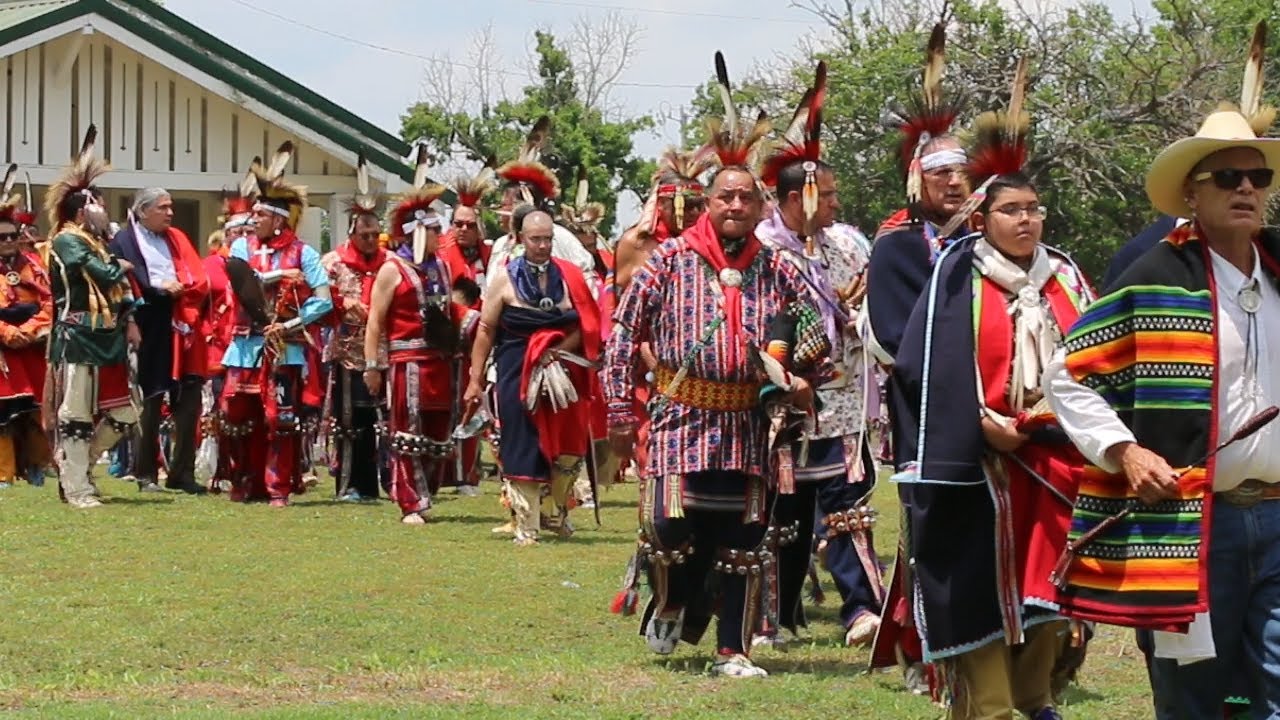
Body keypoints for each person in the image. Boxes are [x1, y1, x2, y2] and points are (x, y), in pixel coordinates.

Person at [1046, 41, 1280, 718]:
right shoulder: (1153, 279)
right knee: (1192, 698)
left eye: (1257, 177)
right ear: (1191, 195)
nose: (1245, 189)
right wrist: (1125, 450)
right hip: (1192, 525)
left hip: (1279, 516)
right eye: (1227, 177)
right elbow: (1067, 376)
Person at [604, 52, 818, 678]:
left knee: (745, 538)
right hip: (680, 415)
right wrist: (619, 412)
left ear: (760, 208)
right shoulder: (669, 261)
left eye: (747, 198)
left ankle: (733, 649)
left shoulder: (776, 269)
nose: (736, 206)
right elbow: (624, 332)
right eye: (726, 196)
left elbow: (813, 334)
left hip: (748, 421)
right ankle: (674, 602)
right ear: (708, 202)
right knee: (669, 526)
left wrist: (798, 377)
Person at [893, 59, 1096, 718]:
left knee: (1046, 598)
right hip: (978, 466)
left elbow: (1096, 357)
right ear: (982, 218)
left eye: (1034, 209)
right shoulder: (957, 274)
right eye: (1011, 210)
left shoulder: (1065, 275)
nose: (1026, 220)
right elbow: (926, 367)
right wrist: (979, 423)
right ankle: (989, 706)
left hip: (1053, 462)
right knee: (979, 596)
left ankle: (1035, 697)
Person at [754, 61, 884, 648]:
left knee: (847, 503)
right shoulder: (761, 251)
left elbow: (873, 308)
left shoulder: (850, 244)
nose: (835, 203)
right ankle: (773, 616)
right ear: (795, 198)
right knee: (783, 511)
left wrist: (858, 313)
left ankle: (861, 609)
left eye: (833, 194)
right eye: (825, 195)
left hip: (843, 400)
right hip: (783, 404)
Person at [866, 25, 967, 693]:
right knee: (930, 536)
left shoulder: (985, 238)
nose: (955, 182)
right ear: (916, 180)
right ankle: (924, 648)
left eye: (962, 172)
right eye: (941, 173)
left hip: (994, 417)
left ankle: (983, 652)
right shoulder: (899, 246)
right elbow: (900, 340)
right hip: (928, 419)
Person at [464, 210, 599, 545]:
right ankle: (527, 522)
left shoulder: (569, 276)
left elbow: (587, 324)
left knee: (566, 441)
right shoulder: (504, 278)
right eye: (535, 239)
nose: (542, 245)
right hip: (516, 370)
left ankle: (556, 512)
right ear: (521, 239)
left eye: (547, 239)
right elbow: (486, 329)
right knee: (522, 441)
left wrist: (557, 350)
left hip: (563, 372)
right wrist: (475, 379)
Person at [221, 143, 332, 507]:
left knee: (280, 418)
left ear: (279, 219)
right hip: (243, 345)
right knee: (236, 415)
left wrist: (291, 324)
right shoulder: (241, 248)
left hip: (286, 348)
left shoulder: (304, 252)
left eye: (261, 214)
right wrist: (280, 275)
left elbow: (324, 299)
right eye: (253, 213)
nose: (253, 219)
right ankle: (244, 481)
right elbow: (241, 282)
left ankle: (277, 487)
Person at [364, 161, 474, 524]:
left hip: (439, 362)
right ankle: (410, 501)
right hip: (406, 362)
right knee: (407, 432)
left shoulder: (440, 268)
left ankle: (426, 491)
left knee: (437, 432)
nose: (439, 236)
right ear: (415, 232)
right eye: (432, 229)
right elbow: (375, 322)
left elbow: (449, 310)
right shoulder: (391, 269)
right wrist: (372, 367)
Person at [44, 126, 139, 509]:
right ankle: (77, 488)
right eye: (100, 204)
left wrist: (129, 318)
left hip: (106, 336)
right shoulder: (66, 239)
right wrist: (118, 265)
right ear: (84, 209)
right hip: (78, 336)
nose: (106, 210)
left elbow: (119, 285)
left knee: (125, 412)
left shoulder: (99, 242)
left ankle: (80, 465)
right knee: (76, 413)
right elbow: (102, 274)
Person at [110, 188, 210, 494]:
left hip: (183, 320)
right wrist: (159, 288)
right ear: (142, 211)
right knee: (150, 399)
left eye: (171, 207)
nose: (170, 213)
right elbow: (124, 280)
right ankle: (146, 474)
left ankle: (182, 473)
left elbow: (197, 274)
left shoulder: (176, 238)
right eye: (162, 208)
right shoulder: (124, 240)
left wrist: (183, 288)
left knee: (189, 397)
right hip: (148, 323)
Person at [322, 157, 387, 502]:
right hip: (347, 353)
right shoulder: (332, 263)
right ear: (352, 233)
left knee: (381, 422)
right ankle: (349, 485)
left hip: (383, 353)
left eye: (376, 234)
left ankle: (381, 484)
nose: (372, 240)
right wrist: (341, 303)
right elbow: (316, 300)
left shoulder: (390, 263)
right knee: (349, 421)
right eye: (365, 235)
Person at [488, 117, 597, 277]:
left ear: (520, 207)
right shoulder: (501, 245)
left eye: (504, 205)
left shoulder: (559, 237)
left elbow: (586, 276)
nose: (499, 213)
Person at [0, 169, 52, 489]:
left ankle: (36, 466)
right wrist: (7, 333)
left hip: (31, 347)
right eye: (2, 237)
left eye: (12, 236)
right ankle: (3, 473)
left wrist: (31, 330)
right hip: (3, 349)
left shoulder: (33, 265)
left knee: (35, 411)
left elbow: (50, 302)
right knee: (3, 413)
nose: (9, 241)